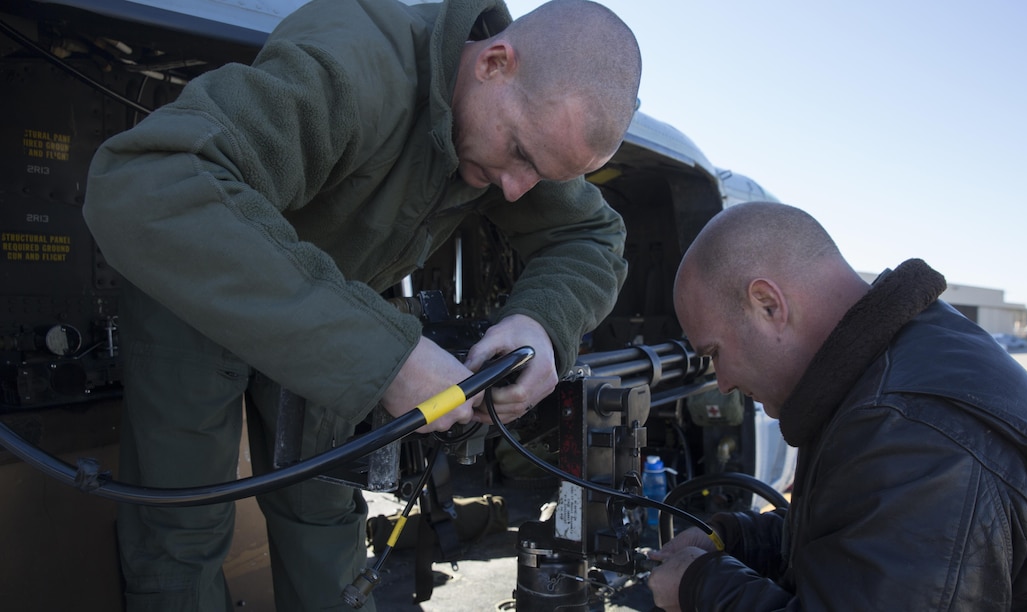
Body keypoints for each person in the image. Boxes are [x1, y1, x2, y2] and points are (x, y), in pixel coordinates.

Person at [81, 0, 641, 609]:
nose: (515, 189)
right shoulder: (354, 62)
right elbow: (146, 185)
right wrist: (387, 358)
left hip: (334, 316)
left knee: (323, 518)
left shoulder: (518, 127)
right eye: (521, 155)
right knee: (178, 538)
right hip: (197, 288)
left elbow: (591, 238)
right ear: (494, 64)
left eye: (540, 177)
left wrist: (542, 323)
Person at [648, 201, 1027, 611]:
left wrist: (702, 587)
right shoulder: (908, 359)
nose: (722, 384)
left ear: (768, 305)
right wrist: (734, 539)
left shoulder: (910, 432)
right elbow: (863, 536)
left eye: (716, 353)